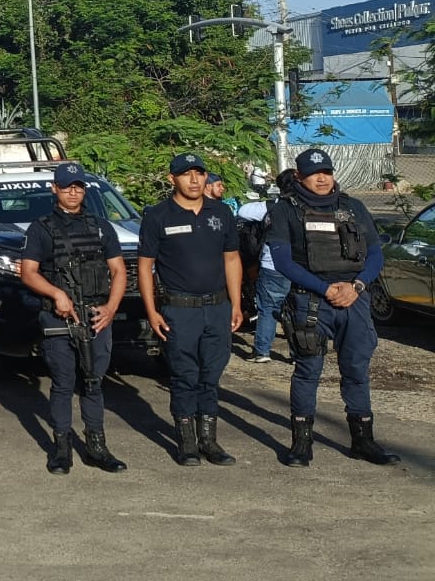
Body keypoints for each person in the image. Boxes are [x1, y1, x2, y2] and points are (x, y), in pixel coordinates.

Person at [268, 148, 400, 467]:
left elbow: (375, 255)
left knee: (356, 370)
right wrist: (325, 288)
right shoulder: (285, 211)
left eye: (326, 171)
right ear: (299, 177)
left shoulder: (353, 207)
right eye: (314, 173)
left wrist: (356, 287)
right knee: (308, 371)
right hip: (311, 300)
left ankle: (363, 441)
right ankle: (301, 443)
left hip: (353, 299)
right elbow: (283, 261)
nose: (322, 177)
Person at [18, 162, 129, 474]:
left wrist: (110, 308)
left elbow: (118, 270)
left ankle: (97, 446)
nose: (73, 192)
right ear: (55, 189)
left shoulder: (101, 227)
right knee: (64, 383)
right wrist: (57, 294)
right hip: (59, 318)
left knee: (93, 382)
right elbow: (28, 273)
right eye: (67, 186)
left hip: (95, 315)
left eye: (78, 186)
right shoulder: (41, 228)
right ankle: (62, 448)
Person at [137, 153, 243, 467]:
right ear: (173, 179)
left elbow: (232, 259)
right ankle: (186, 442)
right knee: (185, 375)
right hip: (179, 309)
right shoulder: (158, 216)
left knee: (211, 375)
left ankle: (209, 440)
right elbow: (145, 267)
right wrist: (151, 311)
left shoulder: (221, 212)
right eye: (186, 174)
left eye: (199, 173)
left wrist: (236, 303)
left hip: (218, 306)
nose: (194, 180)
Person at [236, 171, 295, 364]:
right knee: (298, 309)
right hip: (303, 266)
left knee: (268, 309)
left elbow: (243, 211)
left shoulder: (273, 206)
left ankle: (262, 351)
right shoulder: (309, 206)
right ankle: (300, 352)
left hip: (273, 265)